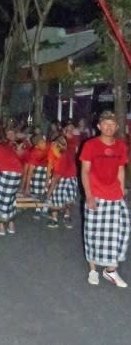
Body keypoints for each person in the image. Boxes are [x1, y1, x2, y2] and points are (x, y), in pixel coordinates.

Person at [80, 110, 130, 287]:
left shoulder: (121, 146)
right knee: (93, 232)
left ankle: (110, 270)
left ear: (117, 127)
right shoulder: (91, 145)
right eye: (105, 124)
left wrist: (122, 188)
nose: (109, 128)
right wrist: (89, 195)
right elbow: (85, 171)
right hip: (96, 194)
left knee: (119, 232)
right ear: (99, 126)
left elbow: (120, 169)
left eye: (112, 125)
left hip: (114, 194)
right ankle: (93, 269)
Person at [0, 133, 23, 235]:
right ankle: (11, 226)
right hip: (18, 173)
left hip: (7, 173)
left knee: (0, 199)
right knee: (11, 199)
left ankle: (1, 228)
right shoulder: (7, 147)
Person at [44, 136, 77, 229]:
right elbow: (50, 165)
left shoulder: (62, 158)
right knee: (64, 197)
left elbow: (55, 180)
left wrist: (48, 194)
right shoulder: (62, 154)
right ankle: (59, 218)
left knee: (61, 198)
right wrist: (47, 179)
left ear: (58, 147)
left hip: (69, 177)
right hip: (67, 177)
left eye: (53, 147)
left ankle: (61, 217)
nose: (51, 149)